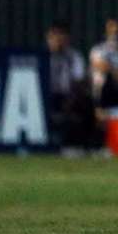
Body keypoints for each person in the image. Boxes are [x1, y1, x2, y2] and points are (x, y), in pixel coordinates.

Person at [46, 21, 93, 155]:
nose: (58, 40)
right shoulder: (43, 56)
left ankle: (83, 146)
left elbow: (78, 81)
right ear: (48, 38)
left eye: (62, 36)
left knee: (87, 102)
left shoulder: (74, 56)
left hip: (68, 96)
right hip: (47, 96)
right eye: (54, 36)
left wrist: (71, 100)